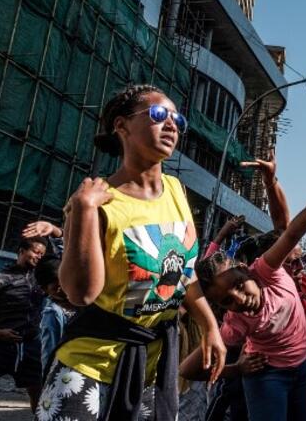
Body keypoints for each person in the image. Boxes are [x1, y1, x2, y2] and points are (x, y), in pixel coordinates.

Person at [39, 84, 226, 420]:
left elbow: (186, 272)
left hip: (152, 372)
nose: (171, 124)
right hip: (90, 367)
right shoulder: (96, 201)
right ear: (122, 126)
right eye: (158, 115)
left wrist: (210, 327)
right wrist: (83, 210)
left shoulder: (175, 190)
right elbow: (81, 294)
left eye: (177, 119)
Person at [205, 153, 306, 421]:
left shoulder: (300, 280)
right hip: (300, 386)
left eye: (301, 260)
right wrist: (235, 370)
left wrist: (271, 181)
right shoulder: (268, 292)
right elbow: (286, 229)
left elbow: (289, 231)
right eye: (290, 262)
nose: (299, 268)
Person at [190, 198, 306, 421]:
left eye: (238, 285)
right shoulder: (234, 324)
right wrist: (235, 369)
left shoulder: (266, 271)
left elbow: (290, 234)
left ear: (246, 270)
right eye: (227, 301)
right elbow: (188, 370)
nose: (240, 299)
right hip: (267, 377)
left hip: (303, 369)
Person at [0, 236, 47, 411]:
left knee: (38, 393)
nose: (39, 256)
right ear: (22, 251)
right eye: (36, 251)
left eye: (42, 254)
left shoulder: (41, 280)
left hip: (30, 347)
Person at [34, 255, 76, 373]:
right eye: (56, 288)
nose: (64, 289)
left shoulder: (82, 300)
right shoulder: (53, 314)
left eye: (65, 281)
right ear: (44, 289)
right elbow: (49, 352)